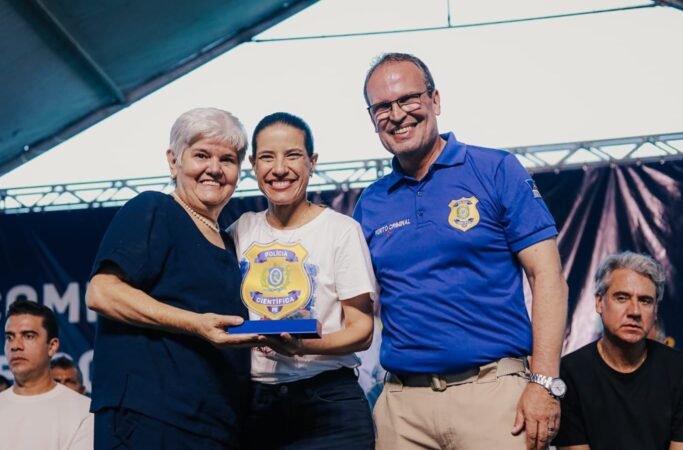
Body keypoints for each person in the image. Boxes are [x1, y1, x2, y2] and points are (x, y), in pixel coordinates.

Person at [352, 52, 569, 450]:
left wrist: (543, 383)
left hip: (493, 397)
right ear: (371, 118)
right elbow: (352, 305)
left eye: (408, 99)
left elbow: (548, 278)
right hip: (402, 408)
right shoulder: (371, 202)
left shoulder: (495, 169)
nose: (397, 114)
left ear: (435, 100)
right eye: (382, 106)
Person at [86, 107, 260, 450]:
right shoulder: (154, 209)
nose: (214, 168)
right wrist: (195, 323)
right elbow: (102, 292)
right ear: (173, 160)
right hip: (150, 417)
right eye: (201, 155)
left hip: (215, 426)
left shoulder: (230, 243)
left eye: (227, 159)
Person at [229, 112, 377, 449]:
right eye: (267, 156)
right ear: (253, 164)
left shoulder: (340, 231)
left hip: (329, 405)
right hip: (255, 407)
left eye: (292, 155)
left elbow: (362, 330)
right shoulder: (240, 230)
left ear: (311, 162)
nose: (279, 168)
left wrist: (302, 347)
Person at [553, 252, 683, 449]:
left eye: (645, 301)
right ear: (599, 303)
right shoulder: (569, 372)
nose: (634, 311)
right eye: (622, 298)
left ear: (655, 310)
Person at [0, 300, 93, 450]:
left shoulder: (84, 412)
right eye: (9, 337)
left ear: (52, 346)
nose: (15, 345)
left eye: (28, 336)